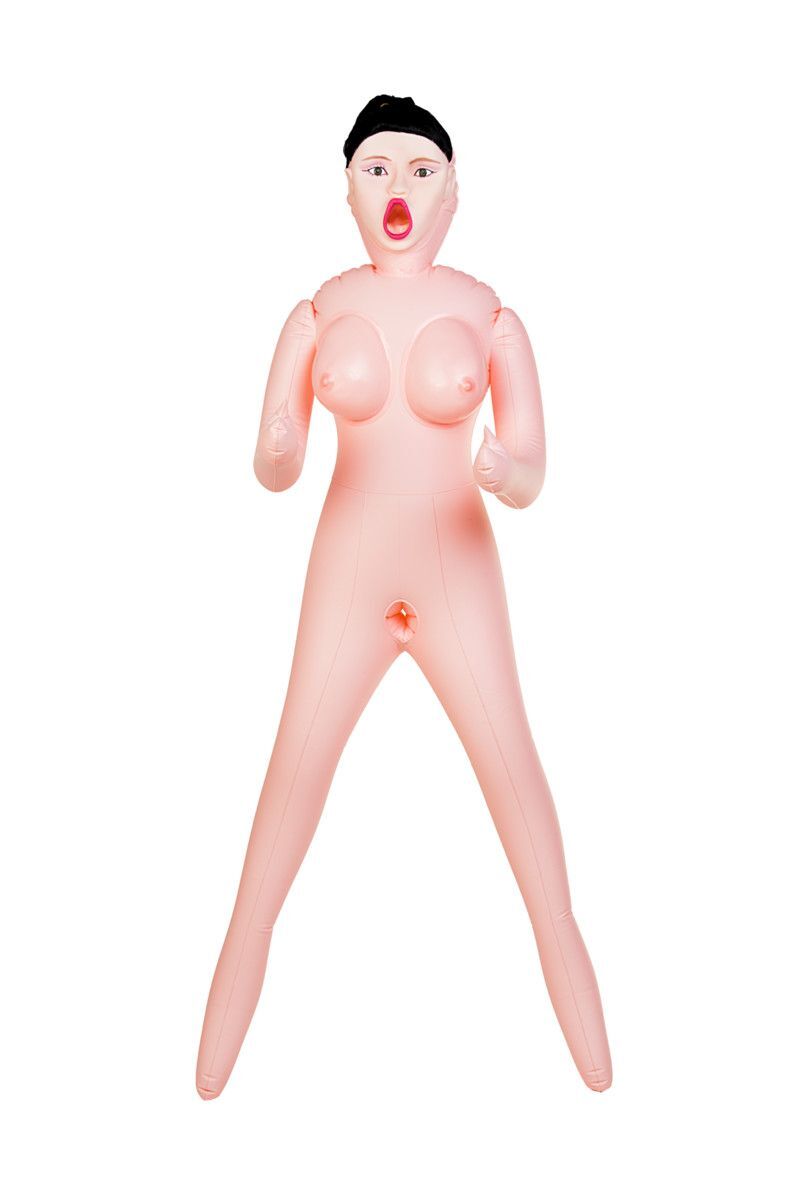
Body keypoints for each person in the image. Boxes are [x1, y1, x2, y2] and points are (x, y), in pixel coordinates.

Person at [196, 94, 613, 1098]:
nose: (398, 189)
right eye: (376, 169)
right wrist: (279, 444)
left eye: (421, 171)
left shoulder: (490, 317)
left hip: (457, 571)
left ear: (453, 194)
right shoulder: (314, 314)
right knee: (290, 779)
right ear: (346, 191)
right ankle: (215, 1043)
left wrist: (505, 468)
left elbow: (531, 473)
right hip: (348, 568)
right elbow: (273, 467)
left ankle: (588, 1035)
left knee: (516, 780)